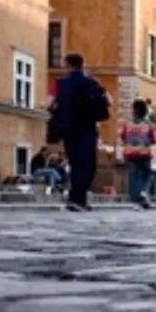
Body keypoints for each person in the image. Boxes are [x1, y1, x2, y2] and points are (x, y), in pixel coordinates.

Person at [51, 53, 111, 211]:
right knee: (88, 165)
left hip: (68, 128)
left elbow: (49, 103)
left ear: (67, 65)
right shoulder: (93, 83)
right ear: (83, 64)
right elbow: (109, 101)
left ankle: (77, 200)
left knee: (75, 162)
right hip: (88, 128)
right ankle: (78, 199)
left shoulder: (59, 84)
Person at [119, 99, 156, 210]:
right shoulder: (149, 125)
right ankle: (144, 193)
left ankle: (136, 201)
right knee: (148, 175)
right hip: (143, 154)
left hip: (130, 154)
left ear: (134, 111)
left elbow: (123, 137)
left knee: (133, 176)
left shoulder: (127, 124)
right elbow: (154, 140)